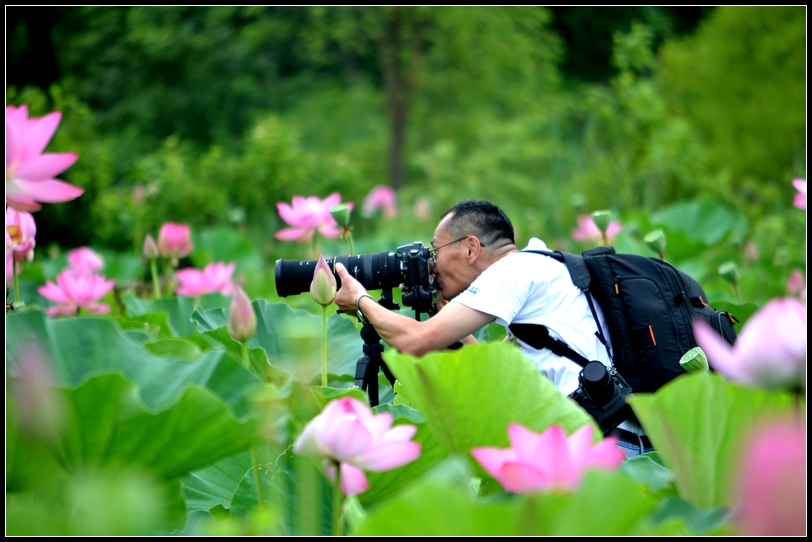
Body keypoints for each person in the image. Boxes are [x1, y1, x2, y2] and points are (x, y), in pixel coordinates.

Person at [334, 199, 652, 458]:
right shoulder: (542, 266)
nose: (432, 264)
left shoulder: (511, 272)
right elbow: (503, 375)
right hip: (619, 442)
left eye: (436, 251)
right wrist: (441, 315)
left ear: (471, 248)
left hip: (597, 447)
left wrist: (360, 300)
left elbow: (415, 341)